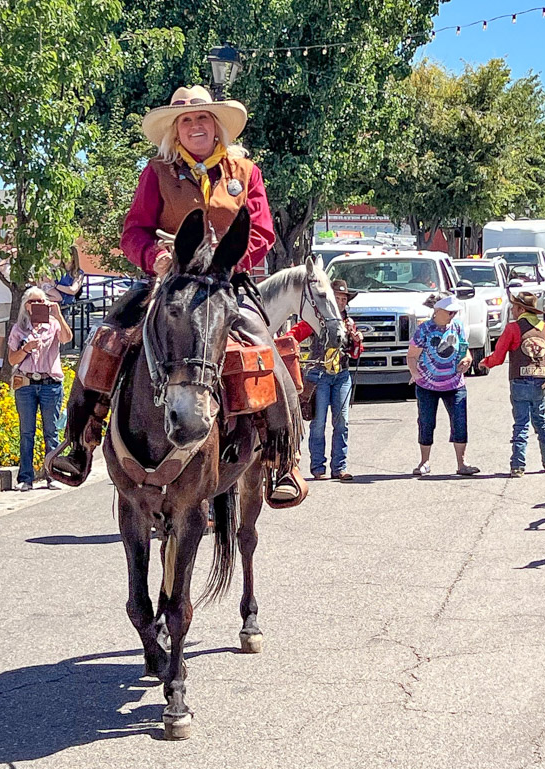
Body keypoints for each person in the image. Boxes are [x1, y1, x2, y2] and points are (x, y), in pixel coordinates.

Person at [47, 85, 307, 506]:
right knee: (106, 338)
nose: (195, 125)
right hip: (166, 281)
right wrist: (156, 256)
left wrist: (227, 259)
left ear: (216, 125)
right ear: (176, 130)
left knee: (265, 349)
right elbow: (134, 232)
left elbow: (262, 231)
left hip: (225, 282)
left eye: (203, 118)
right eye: (186, 120)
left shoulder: (245, 171)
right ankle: (79, 443)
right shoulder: (157, 172)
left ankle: (282, 458)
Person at [480, 291, 545, 477]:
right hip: (540, 379)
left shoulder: (513, 328)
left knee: (521, 423)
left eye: (515, 307)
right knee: (540, 420)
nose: (512, 310)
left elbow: (498, 357)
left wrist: (486, 362)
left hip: (520, 380)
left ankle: (518, 465)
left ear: (521, 309)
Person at [8, 287, 73, 491]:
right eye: (32, 302)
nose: (36, 305)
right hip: (26, 384)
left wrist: (57, 314)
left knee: (51, 431)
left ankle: (52, 475)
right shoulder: (19, 329)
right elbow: (12, 359)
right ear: (26, 305)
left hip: (50, 384)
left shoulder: (53, 325)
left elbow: (66, 338)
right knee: (26, 432)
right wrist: (26, 348)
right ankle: (25, 478)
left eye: (40, 301)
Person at [299, 279, 363, 481]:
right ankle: (318, 467)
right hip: (318, 375)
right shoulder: (315, 320)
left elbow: (353, 354)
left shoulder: (349, 323)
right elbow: (295, 335)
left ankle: (339, 467)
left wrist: (356, 341)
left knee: (342, 421)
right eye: (337, 298)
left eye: (344, 298)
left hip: (342, 374)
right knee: (318, 423)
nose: (341, 301)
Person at [407, 295, 478, 477]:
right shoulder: (424, 329)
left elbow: (464, 349)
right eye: (449, 312)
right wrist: (415, 374)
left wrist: (467, 360)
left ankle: (462, 463)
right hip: (427, 384)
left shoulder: (458, 326)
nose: (452, 315)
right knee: (426, 422)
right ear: (437, 311)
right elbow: (412, 356)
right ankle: (424, 462)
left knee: (460, 423)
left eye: (454, 312)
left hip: (455, 383)